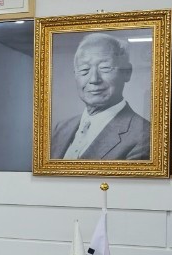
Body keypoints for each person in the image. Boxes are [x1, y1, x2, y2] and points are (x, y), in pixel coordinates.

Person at [50, 33, 151, 161]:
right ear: (75, 75)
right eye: (84, 70)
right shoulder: (62, 128)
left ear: (127, 73)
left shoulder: (145, 135)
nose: (94, 79)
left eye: (105, 68)